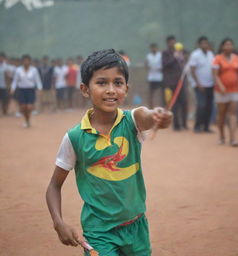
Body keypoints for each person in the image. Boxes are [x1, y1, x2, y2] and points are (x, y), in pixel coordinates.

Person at [46, 49, 172, 256]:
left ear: (126, 89)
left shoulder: (132, 122)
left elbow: (146, 115)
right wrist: (58, 223)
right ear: (85, 89)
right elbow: (54, 186)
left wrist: (158, 116)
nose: (111, 89)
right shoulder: (75, 137)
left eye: (118, 83)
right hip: (98, 232)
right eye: (102, 83)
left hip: (136, 226)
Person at [212, 38, 238, 146]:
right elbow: (215, 74)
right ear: (222, 47)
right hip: (221, 91)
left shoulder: (237, 58)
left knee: (233, 114)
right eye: (226, 45)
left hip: (234, 90)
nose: (229, 47)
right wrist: (220, 85)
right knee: (221, 114)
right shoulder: (217, 58)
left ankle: (233, 139)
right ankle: (221, 136)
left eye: (230, 45)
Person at [189, 36, 215, 133]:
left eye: (206, 43)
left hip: (210, 85)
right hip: (199, 85)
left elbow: (213, 69)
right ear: (199, 44)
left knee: (209, 106)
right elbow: (192, 70)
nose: (205, 45)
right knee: (201, 105)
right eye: (202, 43)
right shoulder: (195, 55)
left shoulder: (211, 54)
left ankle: (206, 126)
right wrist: (198, 83)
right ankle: (197, 126)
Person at [162, 35, 187, 130]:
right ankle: (176, 125)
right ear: (168, 43)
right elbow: (165, 64)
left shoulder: (179, 52)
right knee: (174, 104)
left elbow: (183, 65)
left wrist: (181, 57)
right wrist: (173, 57)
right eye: (171, 42)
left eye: (174, 42)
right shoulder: (165, 53)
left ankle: (184, 124)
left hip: (180, 82)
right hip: (171, 82)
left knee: (184, 102)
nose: (173, 44)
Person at [11, 54, 42, 127]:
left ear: (30, 61)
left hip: (30, 90)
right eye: (24, 61)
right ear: (22, 61)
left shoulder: (34, 70)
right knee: (23, 107)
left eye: (27, 61)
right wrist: (13, 88)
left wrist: (40, 88)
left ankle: (28, 120)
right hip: (22, 90)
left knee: (29, 107)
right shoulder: (18, 70)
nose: (26, 62)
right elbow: (15, 80)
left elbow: (37, 80)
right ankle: (27, 120)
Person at [145, 43, 163, 108]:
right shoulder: (148, 56)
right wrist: (148, 67)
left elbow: (163, 64)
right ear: (150, 49)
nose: (153, 49)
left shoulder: (160, 55)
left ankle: (161, 106)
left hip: (159, 77)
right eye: (152, 48)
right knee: (151, 93)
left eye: (154, 47)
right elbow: (146, 65)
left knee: (161, 93)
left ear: (157, 48)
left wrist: (161, 69)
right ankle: (151, 107)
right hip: (151, 77)